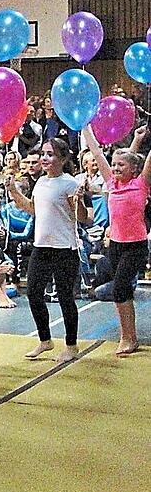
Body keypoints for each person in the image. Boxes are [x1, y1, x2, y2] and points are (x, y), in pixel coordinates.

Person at [6, 139, 89, 363]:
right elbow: (32, 209)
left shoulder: (69, 183)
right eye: (43, 154)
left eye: (50, 154)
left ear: (62, 159)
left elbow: (83, 218)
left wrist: (79, 201)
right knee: (33, 292)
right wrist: (13, 190)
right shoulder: (41, 182)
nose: (45, 158)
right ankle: (45, 340)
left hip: (64, 248)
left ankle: (71, 345)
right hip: (41, 247)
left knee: (64, 297)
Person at [82, 125, 150, 355]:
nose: (115, 168)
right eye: (114, 165)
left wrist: (140, 143)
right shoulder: (112, 183)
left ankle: (128, 337)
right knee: (121, 291)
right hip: (116, 245)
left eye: (121, 166)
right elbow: (98, 153)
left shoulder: (141, 184)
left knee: (120, 288)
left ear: (134, 169)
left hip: (136, 246)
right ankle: (129, 336)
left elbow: (144, 159)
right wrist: (85, 127)